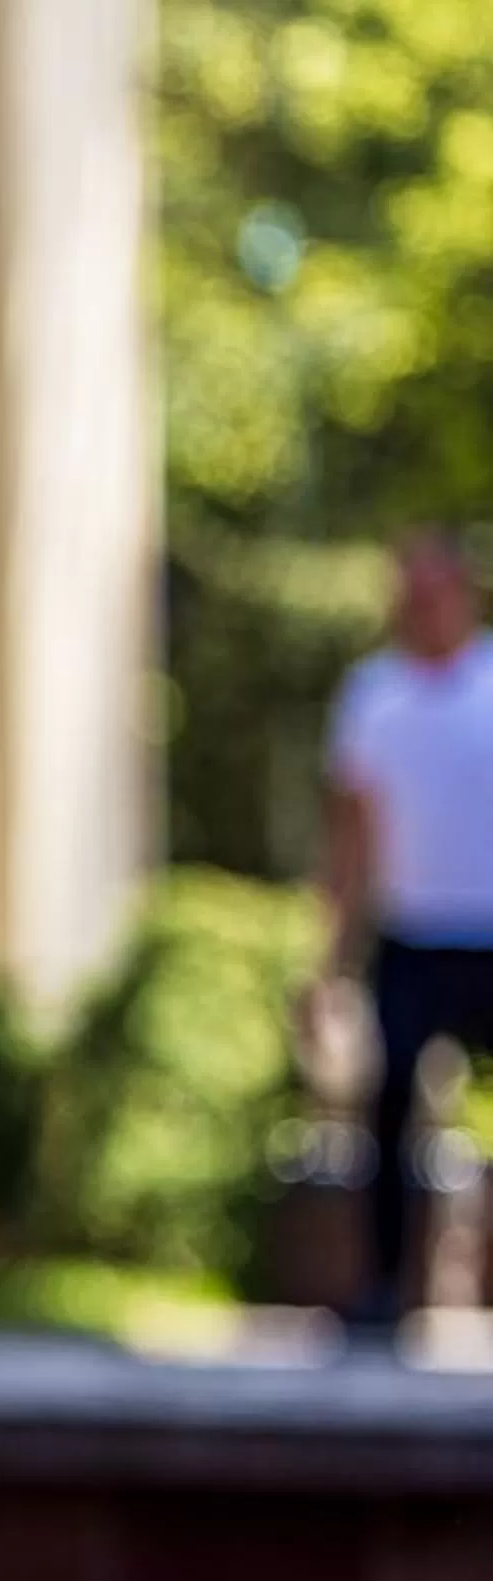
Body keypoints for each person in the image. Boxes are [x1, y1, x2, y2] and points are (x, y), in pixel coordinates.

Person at [320, 529, 493, 1344]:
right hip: (411, 931)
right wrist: (331, 954)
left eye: (433, 592)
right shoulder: (373, 696)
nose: (420, 608)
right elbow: (351, 833)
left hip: (489, 930)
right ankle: (385, 1288)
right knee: (386, 1106)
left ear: (463, 593)